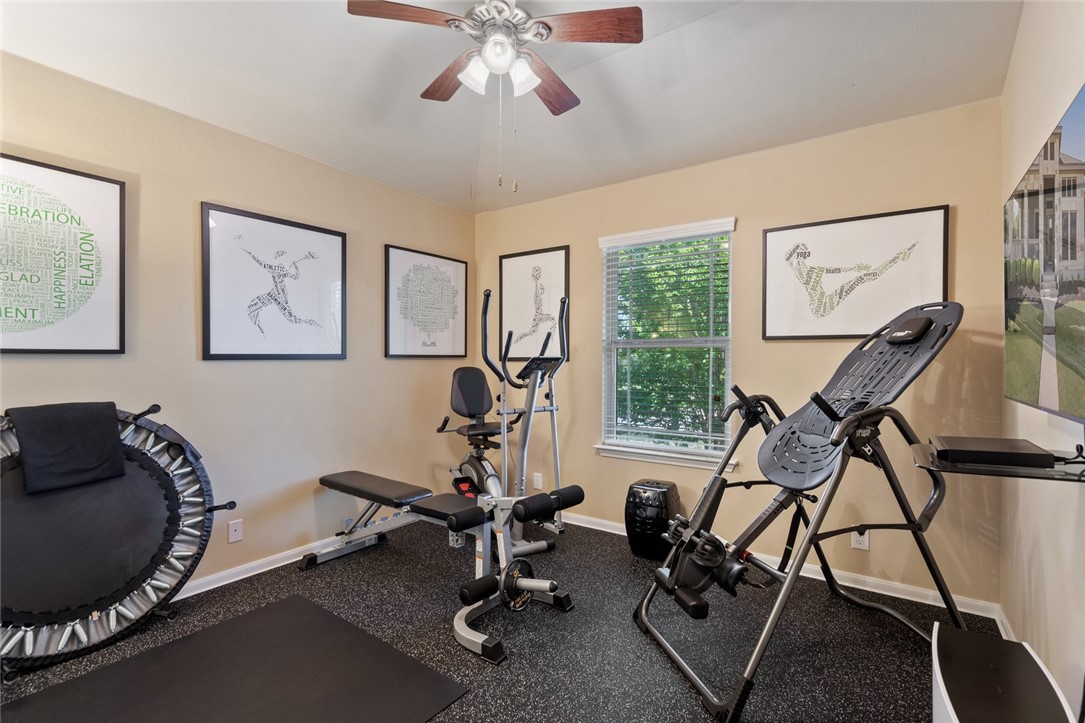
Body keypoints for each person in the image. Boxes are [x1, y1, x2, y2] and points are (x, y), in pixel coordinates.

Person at [785, 241, 916, 318]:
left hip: (824, 303)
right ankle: (896, 258)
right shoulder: (802, 272)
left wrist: (856, 268)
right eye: (801, 253)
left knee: (863, 277)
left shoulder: (813, 270)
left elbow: (837, 270)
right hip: (821, 307)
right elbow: (790, 260)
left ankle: (896, 258)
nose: (803, 256)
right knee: (863, 278)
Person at [242, 249, 321, 334]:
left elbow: (295, 277)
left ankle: (311, 323)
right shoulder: (277, 268)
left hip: (280, 297)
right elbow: (263, 264)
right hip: (274, 295)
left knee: (292, 319)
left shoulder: (279, 269)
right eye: (280, 254)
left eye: (281, 254)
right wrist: (251, 254)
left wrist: (296, 267)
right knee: (252, 307)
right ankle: (261, 331)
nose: (278, 256)